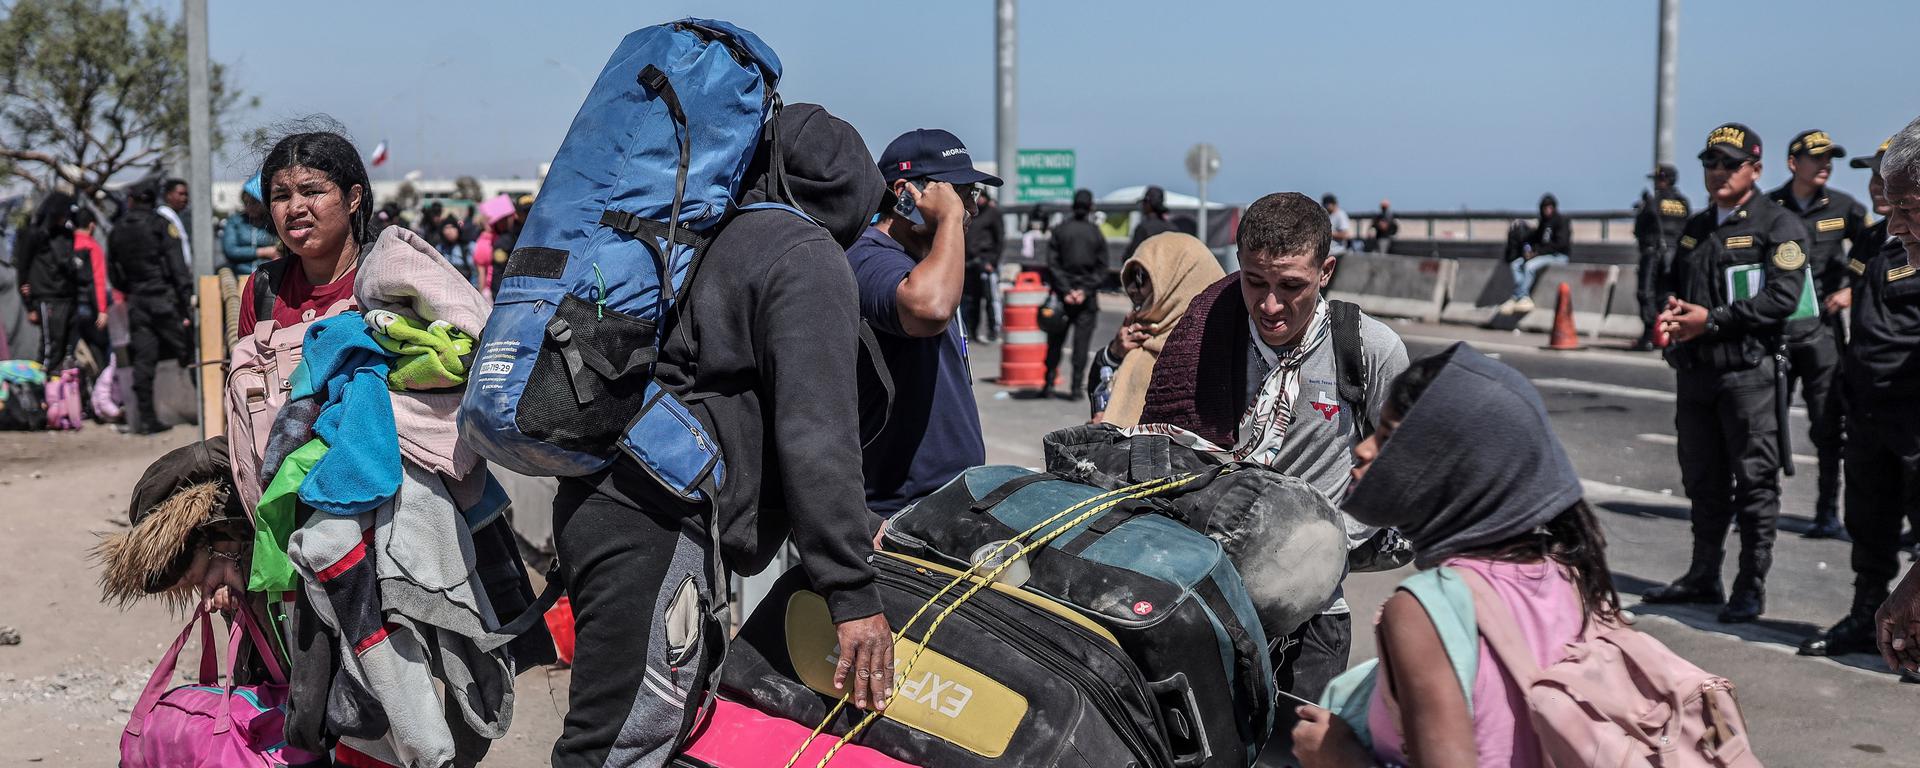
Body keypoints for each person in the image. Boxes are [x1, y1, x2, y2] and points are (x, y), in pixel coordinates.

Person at [551, 103, 894, 768]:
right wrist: (852, 592)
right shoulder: (804, 255)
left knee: (640, 736)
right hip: (654, 523)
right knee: (617, 747)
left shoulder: (708, 235)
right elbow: (816, 434)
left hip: (608, 500)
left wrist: (854, 526)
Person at [1136, 191, 1410, 764]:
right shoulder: (1209, 339)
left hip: (1315, 616)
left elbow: (1410, 472)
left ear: (1325, 272)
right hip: (1211, 605)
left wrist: (1335, 548)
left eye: (1292, 286)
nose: (1271, 305)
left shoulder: (1368, 351)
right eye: (1255, 282)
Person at [1291, 343, 1619, 768]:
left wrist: (1338, 755)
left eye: (1388, 437)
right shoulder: (1565, 575)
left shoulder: (1424, 612)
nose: (1364, 449)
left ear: (1447, 465)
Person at [1643, 123, 1810, 624]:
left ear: (1755, 170)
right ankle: (1703, 576)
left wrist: (1711, 321)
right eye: (1710, 163)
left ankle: (1750, 584)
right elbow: (1671, 285)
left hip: (1748, 376)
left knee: (1755, 483)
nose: (1717, 172)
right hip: (1696, 376)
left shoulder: (1778, 226)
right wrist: (1671, 319)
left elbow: (1784, 298)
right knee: (1703, 480)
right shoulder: (1696, 227)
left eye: (1729, 163)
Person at [1800, 122, 1920, 674]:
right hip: (1867, 405)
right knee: (1868, 522)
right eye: (1876, 182)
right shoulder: (1873, 242)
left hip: (1910, 411)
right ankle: (1867, 614)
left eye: (1901, 197)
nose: (1878, 191)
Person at [848, 127, 996, 516]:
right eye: (961, 196)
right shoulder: (868, 258)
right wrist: (948, 218)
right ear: (905, 195)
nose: (971, 211)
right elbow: (928, 310)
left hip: (947, 498)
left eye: (972, 196)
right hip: (900, 508)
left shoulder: (931, 261)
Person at [1765, 130, 1870, 540]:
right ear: (1794, 163)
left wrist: (1850, 288)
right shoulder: (1769, 207)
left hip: (1822, 334)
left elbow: (1875, 249)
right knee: (1767, 424)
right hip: (1775, 332)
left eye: (1831, 159)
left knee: (1828, 425)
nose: (1826, 165)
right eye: (1817, 158)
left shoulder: (1845, 207)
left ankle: (1827, 512)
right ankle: (1762, 507)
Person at [236, 132, 371, 339]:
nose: (294, 208)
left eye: (311, 192)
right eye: (281, 196)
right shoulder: (264, 288)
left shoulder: (390, 282)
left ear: (353, 198)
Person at [1089, 231, 1224, 425]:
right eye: (1131, 277)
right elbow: (1100, 389)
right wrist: (1114, 354)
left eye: (1142, 277)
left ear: (1178, 279)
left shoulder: (1207, 350)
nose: (1133, 289)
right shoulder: (1140, 334)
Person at [108, 182, 193, 434]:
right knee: (188, 352)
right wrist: (185, 298)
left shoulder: (117, 229)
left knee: (144, 361)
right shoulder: (160, 225)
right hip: (165, 300)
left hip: (138, 301)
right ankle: (208, 409)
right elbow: (177, 265)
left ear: (132, 201)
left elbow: (115, 272)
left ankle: (146, 419)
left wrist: (133, 289)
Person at [1043, 188, 1109, 400]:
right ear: (1091, 207)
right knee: (1081, 345)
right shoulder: (1096, 233)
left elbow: (1052, 264)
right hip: (1086, 299)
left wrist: (1066, 290)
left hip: (1062, 298)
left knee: (1055, 342)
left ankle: (1048, 383)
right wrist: (1084, 290)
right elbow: (1102, 268)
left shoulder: (1060, 230)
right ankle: (1074, 388)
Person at [15, 191, 91, 371]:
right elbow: (23, 270)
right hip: (47, 299)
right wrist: (30, 306)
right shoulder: (35, 234)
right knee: (51, 349)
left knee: (68, 350)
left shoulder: (67, 234)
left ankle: (62, 393)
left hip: (68, 297)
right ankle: (42, 391)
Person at [1633, 164, 1691, 350]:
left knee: (1647, 292)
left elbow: (1639, 229)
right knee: (1668, 294)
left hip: (1654, 252)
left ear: (1664, 180)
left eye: (1658, 180)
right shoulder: (1683, 203)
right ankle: (1668, 334)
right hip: (1676, 254)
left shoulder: (1652, 202)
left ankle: (1650, 335)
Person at [1498, 193, 1572, 315]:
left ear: (1554, 207)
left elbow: (1560, 245)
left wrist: (1537, 253)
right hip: (1543, 254)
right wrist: (1529, 249)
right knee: (1516, 264)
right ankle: (1521, 297)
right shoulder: (1543, 222)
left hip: (1559, 256)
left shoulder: (1561, 221)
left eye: (1550, 207)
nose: (1547, 210)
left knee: (1530, 266)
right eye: (1545, 207)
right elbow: (1535, 240)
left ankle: (1520, 296)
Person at [962, 188, 1002, 343]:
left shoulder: (993, 214)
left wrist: (993, 262)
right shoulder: (970, 213)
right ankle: (971, 331)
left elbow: (1000, 239)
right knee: (971, 300)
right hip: (969, 263)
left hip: (986, 262)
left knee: (990, 299)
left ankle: (993, 331)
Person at [220, 173, 279, 275]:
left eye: (254, 202)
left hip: (269, 276)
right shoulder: (235, 221)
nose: (249, 206)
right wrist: (265, 252)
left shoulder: (273, 221)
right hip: (240, 275)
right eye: (246, 202)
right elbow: (230, 250)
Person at [1121, 185, 1179, 263]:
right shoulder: (1173, 228)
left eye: (1144, 202)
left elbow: (1131, 256)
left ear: (1149, 204)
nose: (1142, 206)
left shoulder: (1143, 228)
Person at [156, 178, 193, 271]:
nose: (184, 198)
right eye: (180, 194)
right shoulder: (164, 217)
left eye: (186, 194)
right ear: (168, 195)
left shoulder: (175, 216)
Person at [435, 217, 475, 283]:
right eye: (446, 228)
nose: (449, 231)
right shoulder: (440, 248)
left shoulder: (469, 246)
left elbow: (475, 272)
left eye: (452, 227)